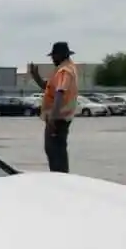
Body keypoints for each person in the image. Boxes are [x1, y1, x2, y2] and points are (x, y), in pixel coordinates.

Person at [28, 42, 79, 173]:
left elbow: (60, 93)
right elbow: (49, 88)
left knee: (55, 151)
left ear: (60, 55)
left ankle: (60, 179)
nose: (52, 59)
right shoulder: (65, 69)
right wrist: (36, 77)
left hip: (58, 118)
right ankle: (60, 176)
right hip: (60, 118)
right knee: (55, 150)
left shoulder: (64, 71)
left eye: (53, 56)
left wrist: (53, 118)